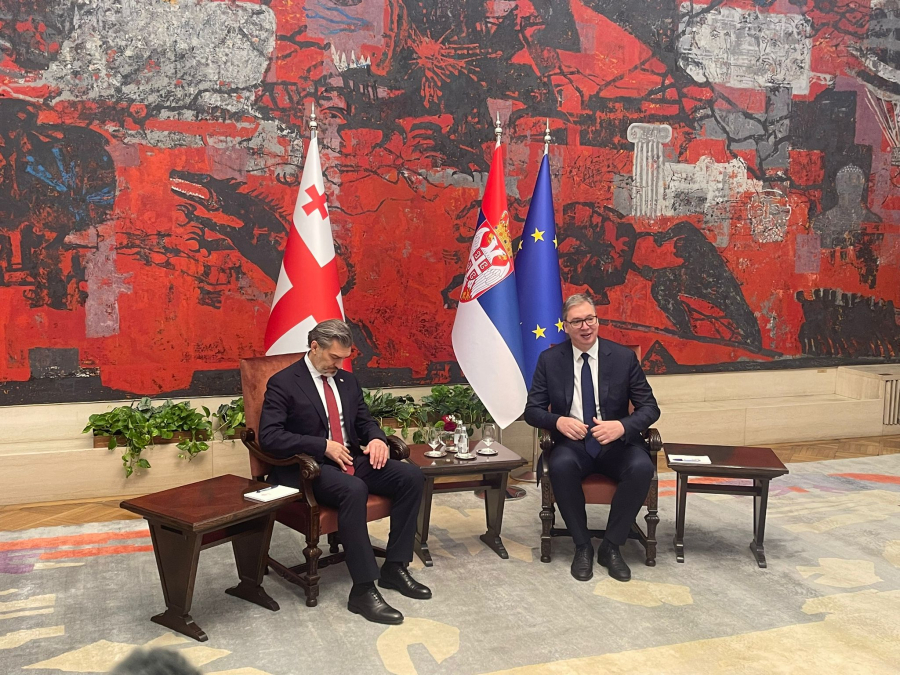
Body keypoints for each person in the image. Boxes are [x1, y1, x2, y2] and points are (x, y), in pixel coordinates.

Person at [259, 319, 429, 624]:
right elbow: (270, 437)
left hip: (349, 458)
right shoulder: (284, 382)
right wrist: (322, 445)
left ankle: (394, 567)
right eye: (334, 357)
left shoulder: (346, 381)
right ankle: (363, 590)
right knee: (354, 489)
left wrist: (376, 439)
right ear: (314, 346)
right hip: (307, 467)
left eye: (344, 358)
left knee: (411, 476)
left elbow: (364, 421)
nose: (338, 364)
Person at [524, 293, 660, 582]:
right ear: (566, 326)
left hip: (616, 443)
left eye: (590, 319)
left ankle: (611, 546)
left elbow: (650, 408)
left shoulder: (623, 358)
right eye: (577, 321)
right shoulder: (550, 360)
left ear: (597, 320)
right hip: (573, 444)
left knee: (641, 467)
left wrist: (622, 426)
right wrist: (558, 421)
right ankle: (582, 545)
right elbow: (532, 411)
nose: (585, 326)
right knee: (560, 465)